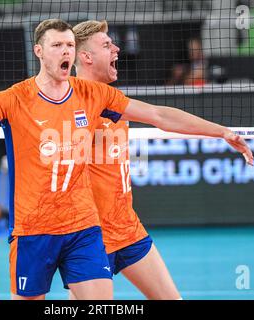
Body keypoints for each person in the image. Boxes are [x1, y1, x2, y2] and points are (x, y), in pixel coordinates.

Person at [0, 19, 253, 300]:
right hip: (35, 229)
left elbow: (160, 115)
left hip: (91, 229)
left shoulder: (97, 96)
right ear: (40, 51)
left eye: (69, 44)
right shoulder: (14, 99)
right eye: (58, 45)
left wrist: (220, 131)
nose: (65, 50)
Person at [72, 19, 181, 299]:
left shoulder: (114, 99)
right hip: (91, 237)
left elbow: (160, 116)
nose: (117, 49)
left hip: (127, 228)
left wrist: (220, 132)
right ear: (85, 57)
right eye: (107, 45)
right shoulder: (68, 101)